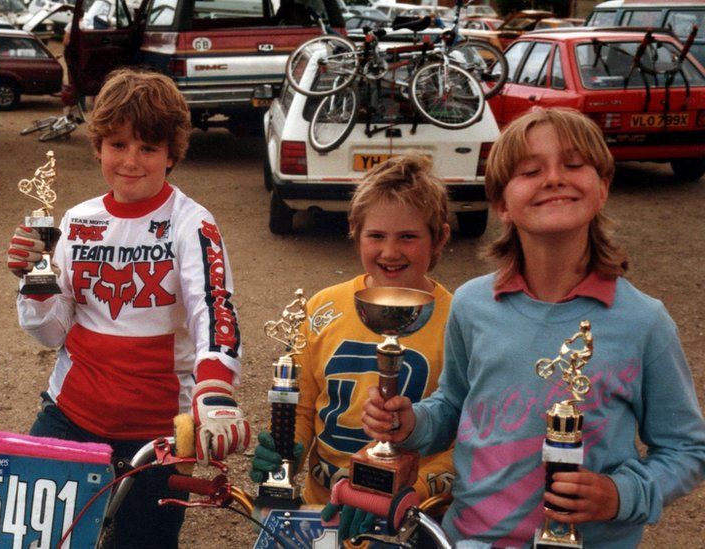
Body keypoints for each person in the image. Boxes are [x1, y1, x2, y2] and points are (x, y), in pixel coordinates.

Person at [362, 108, 705, 547]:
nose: (554, 178)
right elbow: (453, 406)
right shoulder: (472, 304)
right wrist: (412, 424)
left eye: (574, 164)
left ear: (602, 188)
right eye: (530, 170)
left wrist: (623, 494)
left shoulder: (644, 321)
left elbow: (686, 450)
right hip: (469, 539)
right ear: (502, 204)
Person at [6, 68, 250, 548]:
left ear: (171, 154)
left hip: (157, 429)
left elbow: (213, 306)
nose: (131, 161)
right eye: (117, 145)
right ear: (98, 146)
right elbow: (53, 333)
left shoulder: (192, 223)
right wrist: (33, 283)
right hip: (71, 412)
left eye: (148, 148)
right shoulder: (77, 221)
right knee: (37, 535)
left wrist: (216, 387)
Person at [249, 155, 456, 536]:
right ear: (354, 231)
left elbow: (465, 438)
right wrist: (284, 451)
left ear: (439, 237)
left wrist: (411, 489)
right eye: (376, 236)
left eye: (408, 236)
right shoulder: (322, 307)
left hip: (410, 517)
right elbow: (305, 406)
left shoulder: (458, 320)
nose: (390, 252)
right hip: (323, 508)